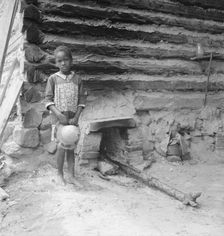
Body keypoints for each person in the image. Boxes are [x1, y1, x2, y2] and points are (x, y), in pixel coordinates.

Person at [45, 45, 86, 185]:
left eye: (66, 60)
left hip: (73, 120)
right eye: (59, 60)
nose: (63, 63)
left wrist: (76, 117)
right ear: (56, 63)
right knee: (62, 147)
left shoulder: (78, 79)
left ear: (71, 60)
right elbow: (48, 100)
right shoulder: (53, 79)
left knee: (71, 148)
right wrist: (58, 114)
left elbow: (81, 100)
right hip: (60, 120)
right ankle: (60, 174)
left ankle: (72, 176)